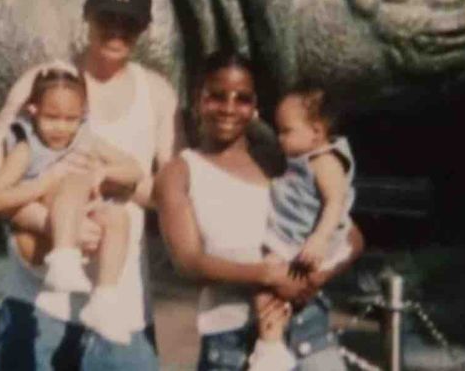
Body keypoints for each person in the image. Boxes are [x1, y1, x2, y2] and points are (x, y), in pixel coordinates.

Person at [0, 0, 183, 369]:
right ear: (86, 15)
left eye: (129, 22)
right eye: (107, 17)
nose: (116, 30)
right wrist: (52, 222)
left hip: (121, 307)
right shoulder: (49, 82)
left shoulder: (157, 93)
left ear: (145, 28)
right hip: (38, 301)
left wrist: (109, 179)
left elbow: (171, 198)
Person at [154, 50, 363, 371]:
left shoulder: (281, 161)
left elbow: (352, 236)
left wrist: (314, 279)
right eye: (217, 96)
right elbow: (189, 263)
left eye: (242, 98)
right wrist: (269, 276)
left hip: (307, 331)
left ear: (254, 106)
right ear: (197, 99)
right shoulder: (179, 173)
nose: (229, 108)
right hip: (231, 341)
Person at [0, 61, 145, 344]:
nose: (61, 127)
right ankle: (63, 258)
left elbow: (135, 170)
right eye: (52, 117)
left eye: (71, 119)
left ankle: (104, 299)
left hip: (81, 221)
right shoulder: (27, 148)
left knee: (118, 217)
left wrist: (103, 172)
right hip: (42, 241)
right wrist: (47, 180)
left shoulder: (84, 139)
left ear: (83, 115)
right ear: (33, 110)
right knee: (73, 179)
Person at [247, 88, 356, 370]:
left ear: (316, 132)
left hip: (309, 243)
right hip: (295, 237)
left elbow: (335, 203)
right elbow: (270, 141)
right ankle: (274, 343)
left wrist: (319, 239)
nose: (280, 137)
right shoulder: (301, 153)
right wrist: (254, 124)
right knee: (269, 287)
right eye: (278, 130)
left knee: (265, 284)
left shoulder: (326, 161)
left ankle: (270, 350)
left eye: (286, 131)